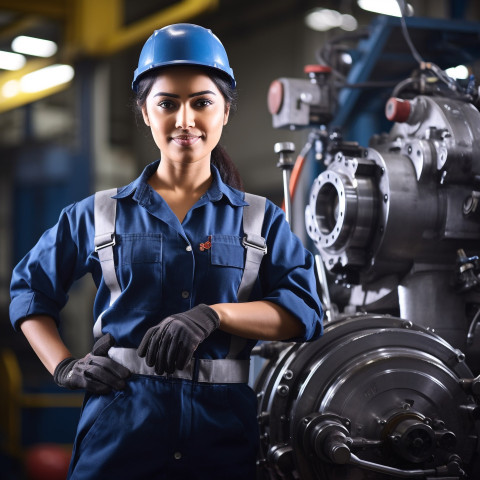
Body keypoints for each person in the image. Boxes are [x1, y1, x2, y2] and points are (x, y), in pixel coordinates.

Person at [9, 23, 323, 480]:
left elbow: (304, 312)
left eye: (201, 102)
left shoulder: (260, 219)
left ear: (225, 113)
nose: (185, 120)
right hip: (119, 436)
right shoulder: (97, 214)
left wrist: (215, 315)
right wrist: (63, 367)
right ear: (144, 113)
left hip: (222, 444)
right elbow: (29, 291)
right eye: (167, 103)